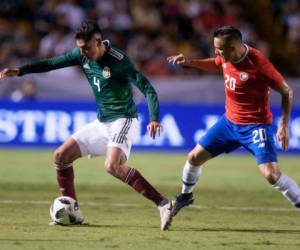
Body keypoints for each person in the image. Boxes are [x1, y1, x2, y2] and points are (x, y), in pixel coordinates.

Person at [0, 21, 173, 230]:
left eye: (86, 48)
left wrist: (154, 118)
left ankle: (163, 204)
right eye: (80, 48)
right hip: (102, 122)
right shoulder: (80, 55)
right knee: (60, 156)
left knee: (112, 166)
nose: (83, 52)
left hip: (124, 120)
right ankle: (73, 210)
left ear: (98, 42)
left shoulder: (119, 61)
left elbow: (147, 88)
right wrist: (20, 71)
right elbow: (51, 63)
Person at [167, 26, 299, 221]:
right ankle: (185, 196)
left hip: (256, 126)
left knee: (272, 175)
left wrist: (283, 125)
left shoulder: (258, 64)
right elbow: (216, 63)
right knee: (194, 157)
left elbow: (286, 91)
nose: (216, 52)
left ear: (234, 47)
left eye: (220, 49)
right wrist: (189, 62)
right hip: (229, 123)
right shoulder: (226, 56)